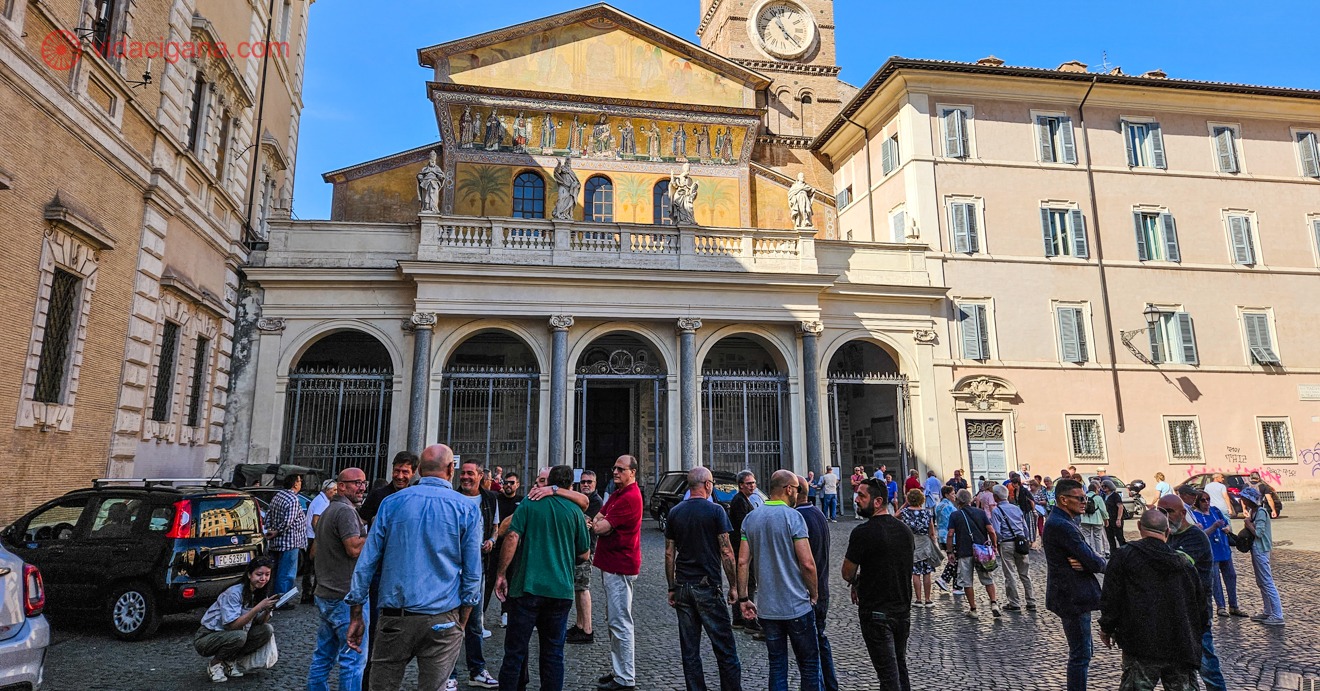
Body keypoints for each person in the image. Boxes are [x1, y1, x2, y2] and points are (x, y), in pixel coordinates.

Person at [346, 444, 482, 691]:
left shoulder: (391, 503)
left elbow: (366, 562)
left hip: (395, 615)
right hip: (443, 616)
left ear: (418, 470)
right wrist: (463, 619)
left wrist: (356, 612)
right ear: (452, 469)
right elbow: (473, 572)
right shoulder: (468, 507)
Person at [494, 465, 591, 691]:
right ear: (571, 485)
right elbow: (584, 553)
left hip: (527, 588)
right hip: (560, 590)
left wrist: (501, 573)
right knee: (553, 653)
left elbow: (512, 536)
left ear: (549, 483)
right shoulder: (575, 511)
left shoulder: (530, 503)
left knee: (515, 653)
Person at [1098, 510, 1207, 691]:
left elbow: (1111, 598)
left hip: (1141, 644)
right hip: (1180, 643)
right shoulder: (1184, 564)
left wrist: (1107, 627)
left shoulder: (1124, 557)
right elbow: (1200, 606)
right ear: (1167, 531)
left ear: (1140, 527)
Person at [738, 469, 820, 691]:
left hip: (768, 608)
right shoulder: (794, 517)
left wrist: (744, 598)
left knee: (777, 666)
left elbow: (742, 562)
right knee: (810, 665)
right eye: (797, 490)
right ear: (789, 489)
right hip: (796, 606)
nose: (798, 494)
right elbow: (808, 563)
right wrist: (814, 593)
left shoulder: (751, 518)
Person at [665, 467, 742, 691]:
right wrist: (734, 586)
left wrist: (672, 586)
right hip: (707, 587)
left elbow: (669, 553)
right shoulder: (716, 511)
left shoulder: (675, 512)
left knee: (690, 652)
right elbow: (726, 551)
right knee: (725, 649)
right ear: (708, 485)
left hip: (683, 587)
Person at [842, 478, 913, 691]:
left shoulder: (863, 532)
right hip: (902, 611)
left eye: (862, 495)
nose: (856, 499)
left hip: (876, 614)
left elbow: (847, 573)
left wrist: (856, 581)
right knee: (899, 668)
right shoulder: (904, 530)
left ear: (877, 501)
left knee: (888, 677)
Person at [308, 468, 370, 691]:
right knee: (352, 659)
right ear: (341, 486)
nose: (362, 487)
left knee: (323, 656)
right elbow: (353, 548)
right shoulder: (344, 511)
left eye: (364, 483)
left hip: (327, 593)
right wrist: (376, 534)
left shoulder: (330, 509)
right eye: (356, 483)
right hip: (344, 597)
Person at [1044, 478, 1107, 691]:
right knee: (1080, 654)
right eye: (1080, 498)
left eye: (1085, 498)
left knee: (1084, 652)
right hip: (1072, 595)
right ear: (1063, 499)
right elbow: (1091, 559)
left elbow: (1087, 559)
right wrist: (1103, 564)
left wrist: (1089, 563)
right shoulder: (1062, 525)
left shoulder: (1066, 521)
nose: (1084, 502)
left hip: (1072, 593)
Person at [1163, 490, 1226, 691]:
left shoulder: (1195, 537)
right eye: (1160, 512)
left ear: (1182, 513)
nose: (1164, 516)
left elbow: (1175, 564)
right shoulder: (1167, 536)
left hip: (1196, 610)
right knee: (1181, 666)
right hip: (1175, 610)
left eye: (1168, 511)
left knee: (1207, 663)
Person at [591, 455, 644, 691]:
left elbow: (600, 526)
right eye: (614, 468)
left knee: (621, 622)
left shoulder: (629, 497)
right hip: (612, 565)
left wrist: (600, 523)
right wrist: (599, 522)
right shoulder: (616, 494)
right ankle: (618, 671)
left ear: (633, 472)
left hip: (620, 566)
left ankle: (625, 678)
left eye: (621, 469)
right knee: (614, 621)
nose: (615, 472)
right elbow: (599, 518)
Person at [449, 462, 502, 689]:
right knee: (450, 621)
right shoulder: (451, 498)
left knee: (474, 623)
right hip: (452, 569)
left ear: (481, 476)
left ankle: (477, 669)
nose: (466, 477)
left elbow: (496, 527)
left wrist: (491, 541)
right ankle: (449, 673)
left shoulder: (490, 499)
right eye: (463, 473)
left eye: (471, 473)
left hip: (479, 568)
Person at [195, 557, 278, 682]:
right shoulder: (234, 593)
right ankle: (215, 664)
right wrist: (257, 608)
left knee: (266, 629)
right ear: (250, 575)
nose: (263, 579)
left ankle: (230, 660)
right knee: (240, 636)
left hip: (233, 633)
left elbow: (261, 622)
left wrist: (268, 610)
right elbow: (232, 625)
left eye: (267, 575)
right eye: (259, 574)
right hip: (207, 637)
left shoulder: (259, 592)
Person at [794, 475, 837, 691]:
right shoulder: (818, 513)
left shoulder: (798, 518)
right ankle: (831, 685)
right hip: (822, 587)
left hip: (810, 591)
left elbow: (806, 562)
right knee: (820, 641)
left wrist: (811, 592)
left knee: (810, 651)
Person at [1190, 490, 1243, 617]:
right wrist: (1214, 527)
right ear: (1197, 502)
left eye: (1208, 499)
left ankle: (1234, 605)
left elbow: (1226, 524)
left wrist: (1227, 528)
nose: (1207, 502)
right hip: (1211, 552)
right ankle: (1221, 606)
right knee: (1215, 580)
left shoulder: (1215, 510)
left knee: (1231, 576)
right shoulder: (1194, 516)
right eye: (1203, 500)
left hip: (1224, 549)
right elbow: (1201, 535)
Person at [567, 470, 604, 644]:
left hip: (586, 549)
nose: (586, 484)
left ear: (595, 483)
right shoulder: (579, 499)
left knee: (582, 588)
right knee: (578, 587)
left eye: (589, 481)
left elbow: (583, 522)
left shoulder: (595, 501)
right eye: (583, 482)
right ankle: (580, 624)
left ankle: (587, 629)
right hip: (577, 549)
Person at [1240, 487, 1283, 626]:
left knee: (1267, 582)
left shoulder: (1261, 512)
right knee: (1261, 582)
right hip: (1256, 549)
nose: (1242, 500)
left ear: (1250, 499)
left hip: (1261, 549)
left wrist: (1248, 523)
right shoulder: (1253, 511)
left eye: (1244, 498)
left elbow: (1258, 533)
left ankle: (1277, 615)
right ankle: (1268, 611)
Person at [990, 485, 1036, 612]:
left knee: (1010, 574)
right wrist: (1026, 540)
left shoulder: (996, 511)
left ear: (995, 497)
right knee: (1025, 574)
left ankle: (1014, 602)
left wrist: (997, 543)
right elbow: (1025, 527)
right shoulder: (1016, 508)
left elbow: (997, 530)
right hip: (1021, 542)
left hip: (1007, 543)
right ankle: (1031, 601)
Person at [265, 474, 308, 606]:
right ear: (295, 483)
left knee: (275, 571)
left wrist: (271, 530)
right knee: (287, 573)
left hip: (276, 542)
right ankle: (282, 600)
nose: (301, 483)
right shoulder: (293, 499)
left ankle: (272, 598)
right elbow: (288, 521)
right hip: (290, 541)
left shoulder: (278, 496)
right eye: (300, 481)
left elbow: (268, 515)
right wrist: (278, 530)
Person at [490, 471, 524, 628]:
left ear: (518, 484)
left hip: (514, 548)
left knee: (511, 580)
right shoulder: (496, 499)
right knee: (489, 581)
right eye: (506, 482)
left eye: (512, 482)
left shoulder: (522, 501)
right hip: (496, 546)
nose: (508, 485)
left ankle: (507, 612)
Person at [728, 470, 761, 632]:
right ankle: (746, 617)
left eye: (754, 483)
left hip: (743, 548)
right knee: (746, 582)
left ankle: (739, 618)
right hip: (741, 549)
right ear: (740, 485)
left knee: (744, 582)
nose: (752, 486)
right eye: (749, 483)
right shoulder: (739, 501)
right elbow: (744, 526)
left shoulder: (744, 500)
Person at [897, 489, 937, 609]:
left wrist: (905, 504)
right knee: (927, 572)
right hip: (925, 544)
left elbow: (894, 516)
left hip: (911, 544)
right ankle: (928, 599)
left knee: (915, 573)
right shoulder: (927, 513)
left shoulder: (905, 512)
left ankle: (918, 599)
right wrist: (934, 543)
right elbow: (932, 532)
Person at [304, 479, 339, 603]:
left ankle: (309, 594)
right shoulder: (322, 502)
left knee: (311, 569)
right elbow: (315, 521)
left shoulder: (322, 500)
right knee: (317, 568)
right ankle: (312, 594)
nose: (336, 492)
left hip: (313, 537)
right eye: (334, 490)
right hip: (314, 538)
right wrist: (321, 536)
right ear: (327, 490)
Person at [359, 451, 417, 525]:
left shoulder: (415, 498)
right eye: (397, 471)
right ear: (392, 470)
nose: (400, 476)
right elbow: (361, 523)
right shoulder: (376, 495)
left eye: (405, 472)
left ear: (413, 473)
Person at [933, 486, 959, 595]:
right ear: (947, 494)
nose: (954, 495)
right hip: (950, 536)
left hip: (941, 535)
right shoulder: (950, 507)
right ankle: (944, 579)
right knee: (955, 559)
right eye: (953, 493)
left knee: (955, 560)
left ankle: (957, 586)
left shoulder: (938, 506)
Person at [1079, 479, 1108, 558]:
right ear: (1096, 489)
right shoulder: (1098, 498)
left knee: (1086, 536)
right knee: (1097, 537)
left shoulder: (1084, 497)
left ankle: (1088, 553)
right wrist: (1106, 519)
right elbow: (1103, 510)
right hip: (1097, 520)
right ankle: (1099, 553)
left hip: (1085, 519)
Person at [1102, 480, 1127, 555]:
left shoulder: (1115, 496)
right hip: (1108, 519)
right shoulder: (1104, 496)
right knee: (1110, 537)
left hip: (1115, 518)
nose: (1103, 488)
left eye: (1105, 486)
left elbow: (1120, 507)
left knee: (1119, 536)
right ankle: (1113, 553)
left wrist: (1118, 519)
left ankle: (1124, 552)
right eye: (1102, 486)